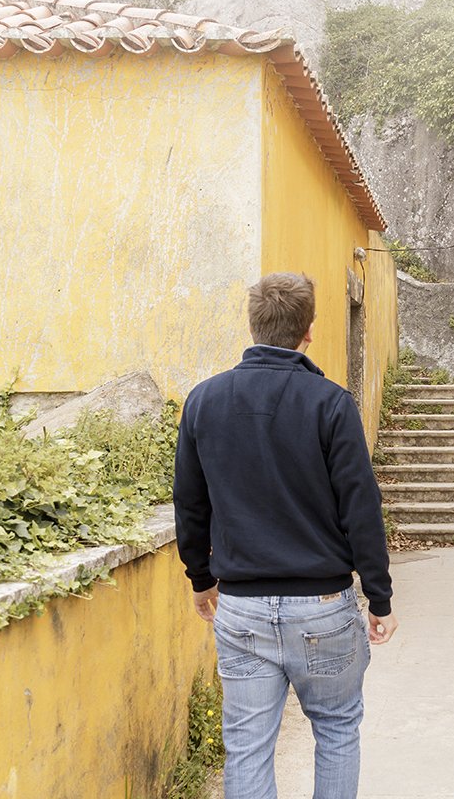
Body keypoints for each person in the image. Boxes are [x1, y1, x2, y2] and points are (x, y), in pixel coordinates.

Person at [174, 272, 398, 799]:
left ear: (253, 325)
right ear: (309, 330)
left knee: (247, 745)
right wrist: (379, 597)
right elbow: (360, 507)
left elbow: (190, 502)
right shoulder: (331, 403)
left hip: (242, 608)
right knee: (337, 730)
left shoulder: (203, 401)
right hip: (322, 604)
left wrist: (200, 578)